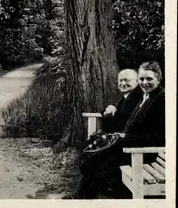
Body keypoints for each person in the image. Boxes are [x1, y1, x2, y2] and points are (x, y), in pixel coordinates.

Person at [64, 61, 165, 199]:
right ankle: (84, 195)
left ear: (159, 79)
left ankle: (90, 196)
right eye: (142, 79)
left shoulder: (160, 99)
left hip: (143, 152)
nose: (145, 82)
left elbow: (159, 137)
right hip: (131, 145)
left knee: (97, 165)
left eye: (149, 79)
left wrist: (124, 137)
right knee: (92, 162)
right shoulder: (145, 97)